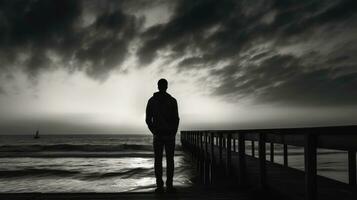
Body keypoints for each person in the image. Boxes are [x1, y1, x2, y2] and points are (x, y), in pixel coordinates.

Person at [146, 78, 179, 193]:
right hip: (166, 135)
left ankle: (160, 186)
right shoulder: (172, 100)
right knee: (169, 161)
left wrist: (154, 131)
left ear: (158, 86)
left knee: (159, 161)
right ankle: (168, 185)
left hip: (161, 135)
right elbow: (176, 119)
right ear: (166, 86)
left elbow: (148, 120)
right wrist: (173, 132)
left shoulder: (152, 101)